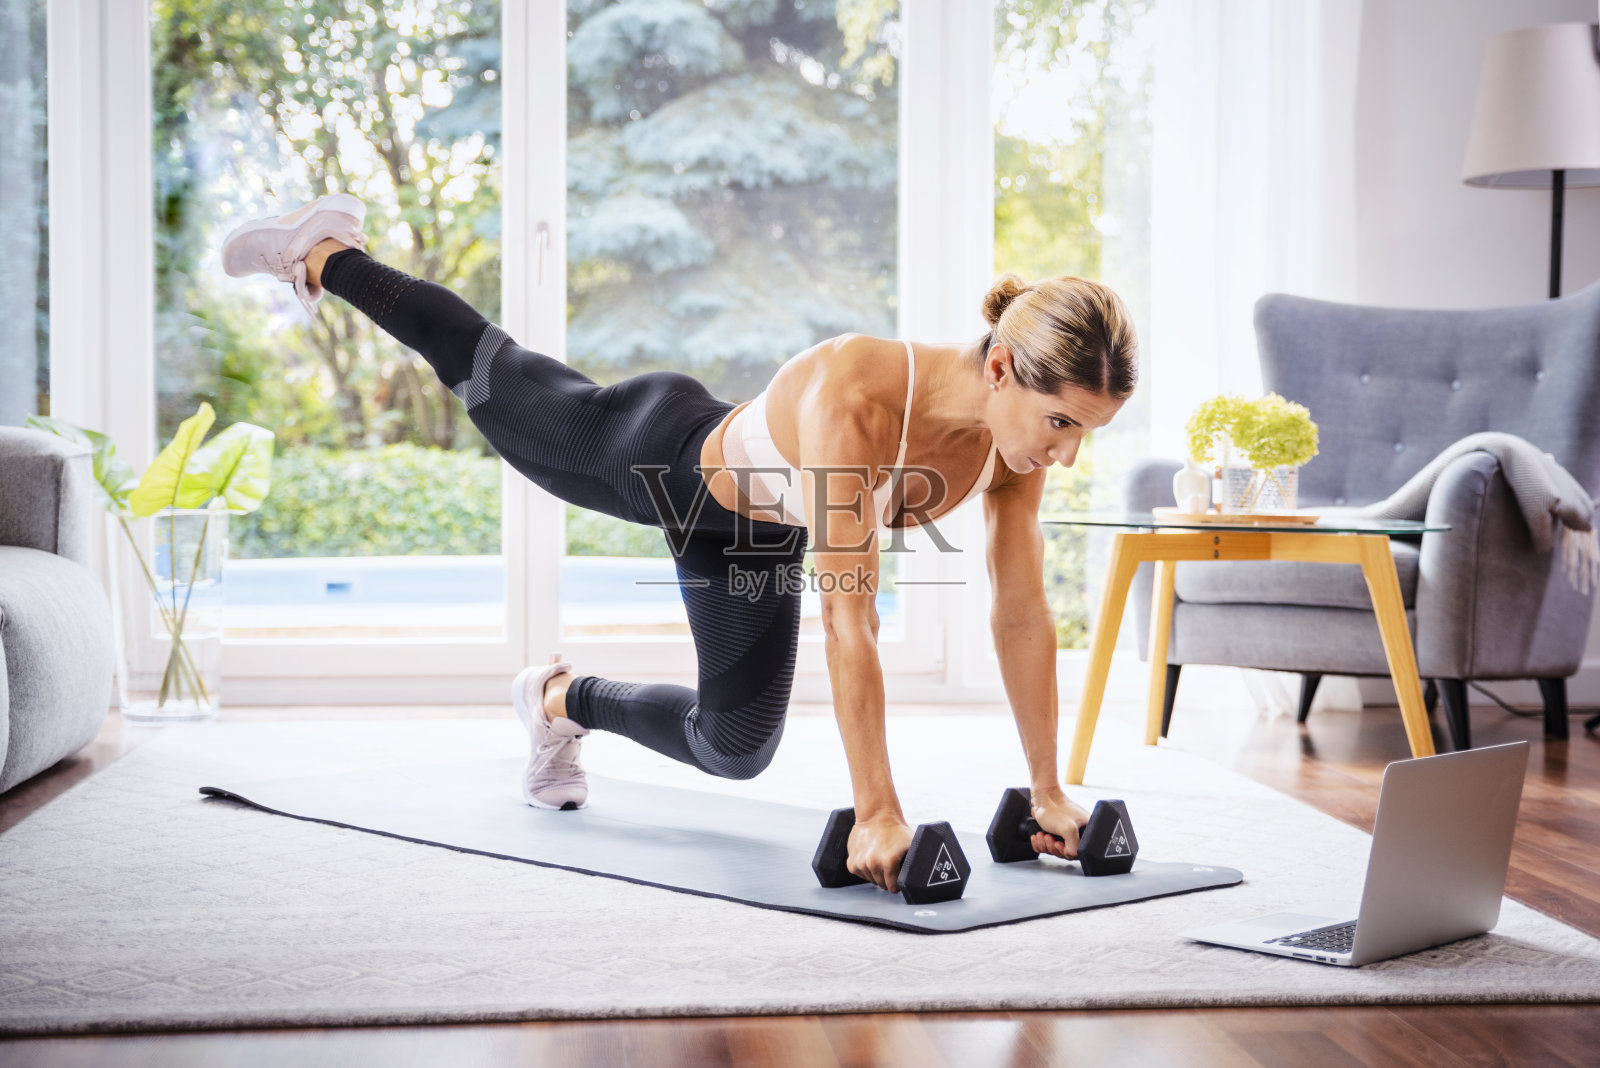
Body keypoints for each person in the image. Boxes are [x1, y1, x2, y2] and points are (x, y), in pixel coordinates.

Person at [221, 192, 1138, 894]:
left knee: (734, 748)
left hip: (750, 539)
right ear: (1000, 366)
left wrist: (1049, 790)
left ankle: (557, 701)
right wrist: (877, 814)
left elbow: (1021, 616)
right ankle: (327, 251)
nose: (1066, 452)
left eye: (1084, 432)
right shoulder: (857, 394)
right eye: (1061, 421)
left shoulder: (1013, 451)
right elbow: (850, 623)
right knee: (491, 384)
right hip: (654, 450)